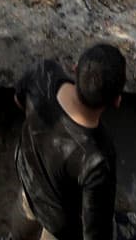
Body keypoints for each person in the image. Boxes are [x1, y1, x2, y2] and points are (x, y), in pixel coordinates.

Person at [12, 46, 125, 240]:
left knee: (23, 218)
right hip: (59, 222)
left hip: (29, 182)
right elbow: (95, 231)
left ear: (75, 68)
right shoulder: (98, 159)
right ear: (117, 101)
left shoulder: (43, 74)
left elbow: (18, 99)